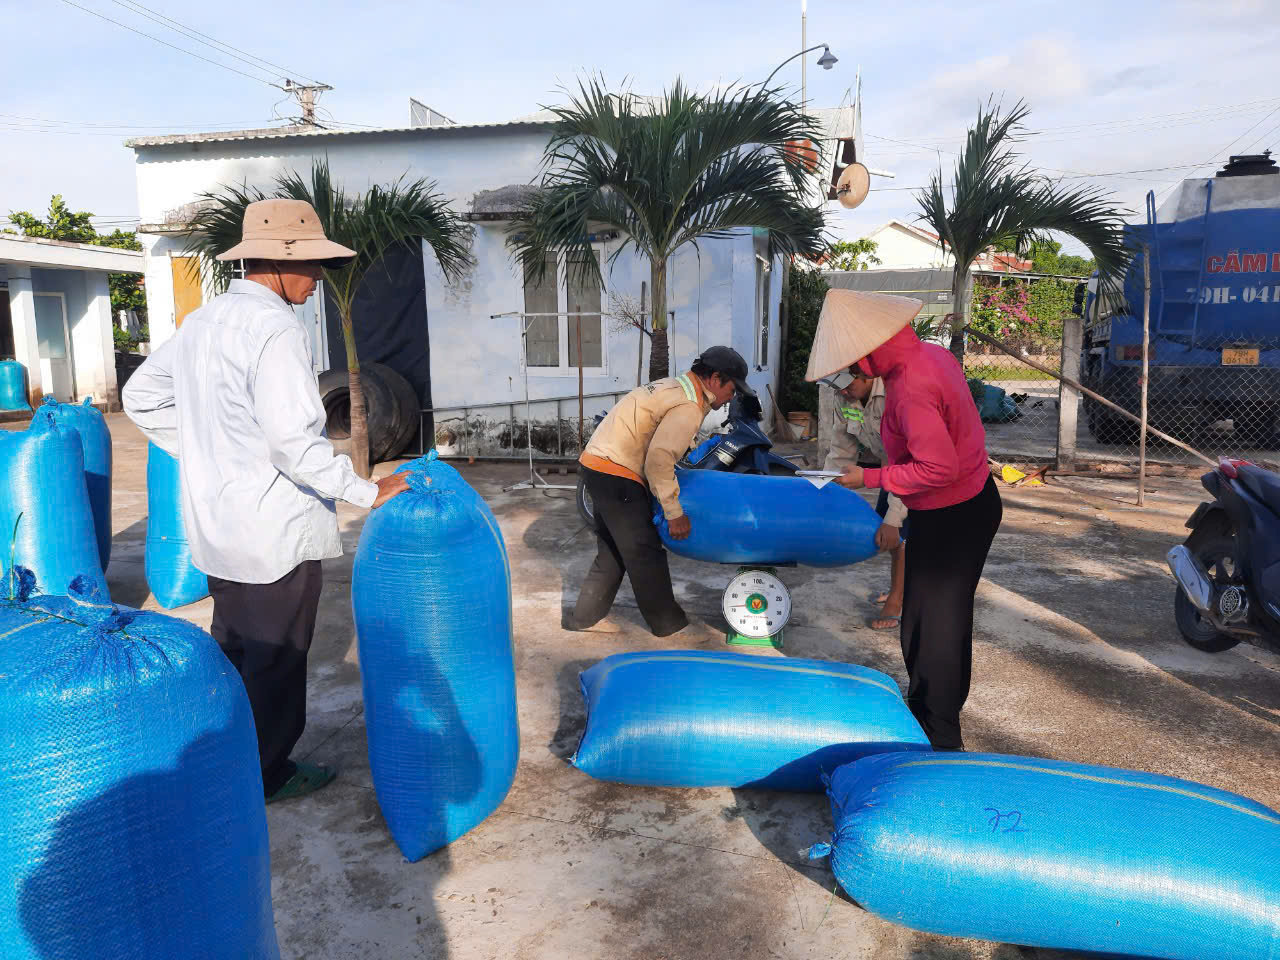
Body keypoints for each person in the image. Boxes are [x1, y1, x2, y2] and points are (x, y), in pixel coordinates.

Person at [124, 198, 410, 803]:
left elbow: (141, 395)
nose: (316, 282)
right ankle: (266, 774)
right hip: (272, 532)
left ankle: (224, 757)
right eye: (311, 267)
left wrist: (206, 446)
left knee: (233, 647)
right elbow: (294, 446)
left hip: (219, 529)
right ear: (279, 265)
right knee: (278, 658)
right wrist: (366, 490)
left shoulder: (204, 320)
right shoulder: (275, 329)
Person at [806, 292, 1001, 750]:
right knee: (932, 621)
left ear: (872, 348)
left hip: (954, 512)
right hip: (963, 504)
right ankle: (935, 716)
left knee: (933, 629)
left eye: (852, 360)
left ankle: (940, 741)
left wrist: (867, 477)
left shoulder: (910, 388)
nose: (851, 369)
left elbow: (938, 468)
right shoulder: (929, 356)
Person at [571, 346, 752, 636]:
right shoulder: (689, 405)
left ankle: (583, 617)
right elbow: (659, 460)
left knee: (613, 551)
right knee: (645, 551)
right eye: (732, 388)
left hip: (596, 464)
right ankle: (669, 625)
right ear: (716, 379)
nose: (732, 396)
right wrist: (674, 512)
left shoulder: (674, 385)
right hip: (617, 471)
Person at [821, 371, 908, 630]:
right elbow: (841, 448)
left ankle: (898, 598)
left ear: (865, 374)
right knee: (891, 538)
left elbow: (909, 463)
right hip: (889, 471)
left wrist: (894, 519)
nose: (843, 393)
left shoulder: (896, 395)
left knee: (901, 534)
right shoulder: (844, 398)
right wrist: (823, 489)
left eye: (847, 385)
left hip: (914, 472)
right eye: (837, 388)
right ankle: (900, 588)